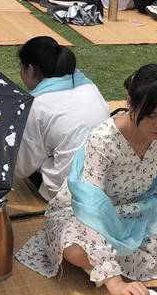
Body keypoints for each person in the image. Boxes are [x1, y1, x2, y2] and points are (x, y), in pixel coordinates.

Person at [16, 64, 157, 295]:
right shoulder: (103, 140)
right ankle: (111, 266)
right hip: (83, 214)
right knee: (75, 248)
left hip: (136, 208)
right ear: (130, 103)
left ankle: (103, 265)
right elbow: (91, 208)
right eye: (151, 115)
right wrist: (115, 283)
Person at [14, 37, 110, 200]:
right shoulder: (88, 85)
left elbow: (22, 167)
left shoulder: (37, 104)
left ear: (30, 69)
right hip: (103, 183)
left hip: (67, 192)